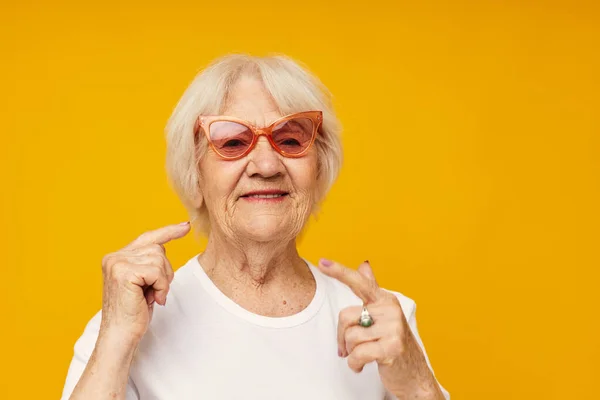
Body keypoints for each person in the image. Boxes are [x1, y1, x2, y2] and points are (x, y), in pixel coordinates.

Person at [61, 54, 450, 400]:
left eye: (291, 139)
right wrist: (114, 341)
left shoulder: (382, 322)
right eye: (232, 143)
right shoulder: (126, 327)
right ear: (195, 176)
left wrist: (417, 387)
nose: (266, 166)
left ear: (318, 172)